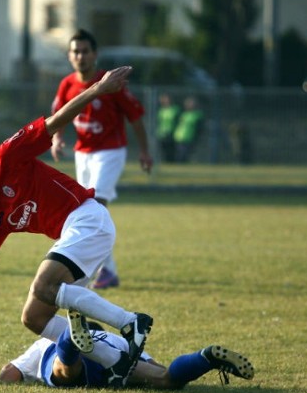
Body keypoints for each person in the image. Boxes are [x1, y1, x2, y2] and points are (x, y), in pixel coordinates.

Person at [0, 66, 153, 379]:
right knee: (34, 318)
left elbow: (55, 121)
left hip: (87, 217)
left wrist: (97, 90)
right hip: (78, 235)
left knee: (45, 285)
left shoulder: (8, 156)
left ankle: (130, 322)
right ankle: (112, 359)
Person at [50, 29, 153, 290]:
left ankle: (101, 270)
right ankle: (108, 270)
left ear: (94, 55)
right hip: (82, 153)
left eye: (85, 51)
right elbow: (60, 113)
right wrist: (57, 138)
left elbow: (136, 117)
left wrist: (144, 151)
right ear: (69, 56)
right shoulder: (67, 84)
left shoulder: (110, 83)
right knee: (87, 210)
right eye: (76, 51)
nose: (80, 56)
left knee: (96, 205)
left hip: (110, 151)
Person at [0, 314, 254, 389]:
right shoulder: (114, 338)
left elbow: (10, 374)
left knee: (66, 372)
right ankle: (205, 358)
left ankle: (69, 339)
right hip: (114, 355)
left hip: (60, 346)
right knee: (166, 379)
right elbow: (156, 368)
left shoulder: (43, 342)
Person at [173, 96, 204, 163]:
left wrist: (197, 136)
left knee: (185, 153)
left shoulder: (198, 115)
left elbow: (199, 128)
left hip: (189, 137)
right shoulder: (182, 113)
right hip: (179, 136)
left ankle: (182, 165)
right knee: (179, 153)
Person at [155, 93, 180, 163]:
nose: (166, 101)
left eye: (167, 99)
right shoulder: (161, 110)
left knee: (170, 150)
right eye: (164, 99)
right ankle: (163, 162)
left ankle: (170, 162)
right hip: (161, 133)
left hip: (172, 133)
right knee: (162, 150)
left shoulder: (175, 109)